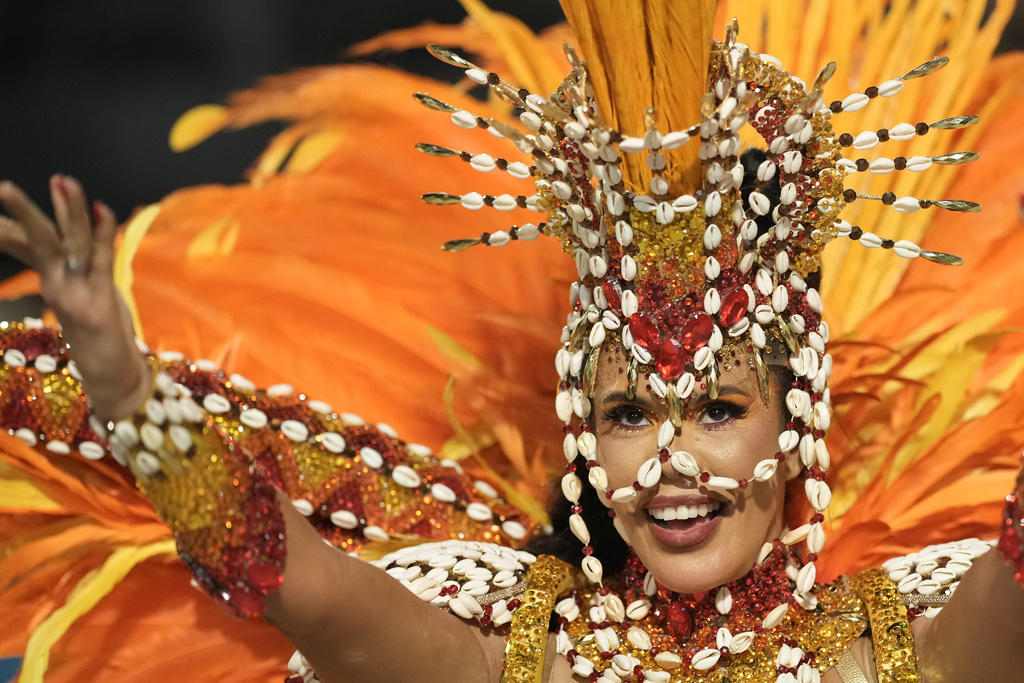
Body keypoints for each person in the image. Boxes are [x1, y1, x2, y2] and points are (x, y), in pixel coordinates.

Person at [2, 1, 1024, 682]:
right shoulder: (515, 654)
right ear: (586, 437)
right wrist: (123, 383)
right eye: (629, 412)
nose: (672, 462)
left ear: (793, 421)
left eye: (717, 407)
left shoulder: (889, 651)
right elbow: (280, 569)